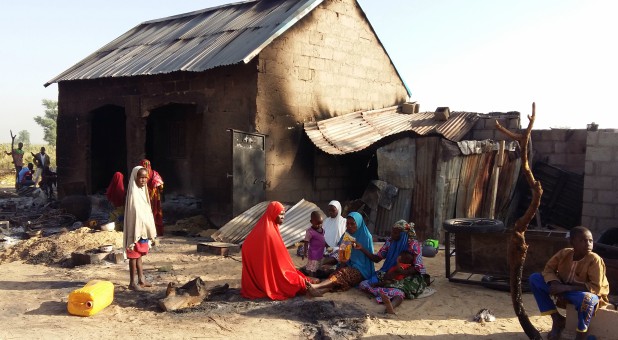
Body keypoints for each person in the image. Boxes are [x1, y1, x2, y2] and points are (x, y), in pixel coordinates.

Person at [528, 226, 610, 340]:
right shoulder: (564, 253)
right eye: (583, 240)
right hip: (564, 290)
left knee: (587, 299)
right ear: (572, 242)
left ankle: (581, 334)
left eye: (590, 240)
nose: (588, 244)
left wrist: (565, 288)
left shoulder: (594, 259)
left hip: (586, 295)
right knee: (535, 278)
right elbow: (548, 270)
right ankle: (557, 319)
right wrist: (555, 283)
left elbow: (595, 288)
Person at [241, 201, 321, 300]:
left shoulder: (268, 227)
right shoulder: (269, 232)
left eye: (284, 214)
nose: (283, 217)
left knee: (308, 280)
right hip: (274, 274)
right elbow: (279, 262)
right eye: (281, 214)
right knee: (299, 283)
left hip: (268, 273)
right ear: (273, 213)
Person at [356, 219, 427, 313]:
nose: (392, 234)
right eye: (392, 231)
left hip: (408, 276)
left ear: (403, 234)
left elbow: (418, 267)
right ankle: (385, 293)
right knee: (363, 284)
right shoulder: (390, 242)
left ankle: (391, 306)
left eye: (395, 233)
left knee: (400, 291)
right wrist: (362, 249)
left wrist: (401, 272)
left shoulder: (413, 245)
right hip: (389, 272)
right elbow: (377, 258)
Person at [308, 212, 375, 296]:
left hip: (362, 270)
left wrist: (361, 248)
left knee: (343, 274)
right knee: (337, 275)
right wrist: (339, 267)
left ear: (358, 224)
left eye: (352, 224)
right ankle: (323, 290)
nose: (349, 226)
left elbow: (372, 258)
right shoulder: (347, 235)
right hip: (349, 265)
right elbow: (343, 256)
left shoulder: (366, 237)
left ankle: (316, 286)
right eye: (347, 223)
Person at [123, 166, 158, 291]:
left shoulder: (143, 191)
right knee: (133, 256)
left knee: (139, 255)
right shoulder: (133, 193)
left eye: (145, 177)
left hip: (143, 230)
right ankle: (132, 282)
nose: (143, 180)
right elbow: (135, 214)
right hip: (135, 230)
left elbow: (146, 210)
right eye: (141, 177)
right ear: (135, 177)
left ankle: (141, 279)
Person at [140, 159, 164, 236]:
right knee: (155, 212)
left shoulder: (139, 174)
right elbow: (161, 186)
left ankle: (146, 232)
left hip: (143, 197)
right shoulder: (154, 174)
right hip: (154, 198)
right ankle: (156, 231)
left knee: (144, 213)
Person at [302, 211, 326, 277]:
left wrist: (326, 245)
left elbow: (322, 239)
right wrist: (305, 252)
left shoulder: (322, 230)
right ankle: (311, 278)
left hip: (320, 253)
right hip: (313, 254)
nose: (319, 225)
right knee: (312, 268)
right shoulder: (310, 232)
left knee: (317, 267)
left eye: (321, 223)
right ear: (311, 222)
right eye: (317, 224)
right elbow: (306, 242)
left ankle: (315, 277)